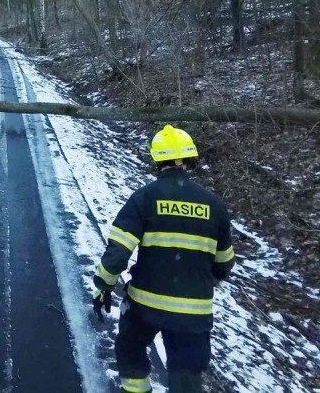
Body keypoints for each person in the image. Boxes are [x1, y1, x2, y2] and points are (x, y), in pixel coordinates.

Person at [92, 124, 235, 393]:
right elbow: (225, 263)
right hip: (194, 314)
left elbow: (119, 251)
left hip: (145, 307)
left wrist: (103, 284)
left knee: (131, 354)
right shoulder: (214, 205)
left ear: (157, 160)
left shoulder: (145, 198)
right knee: (186, 377)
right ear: (189, 160)